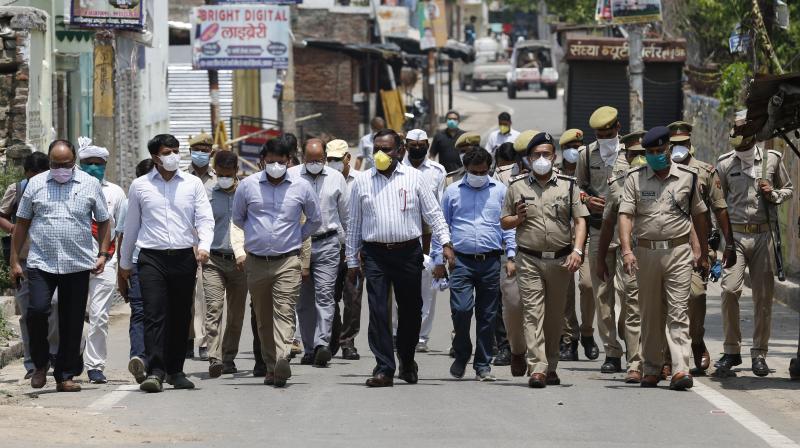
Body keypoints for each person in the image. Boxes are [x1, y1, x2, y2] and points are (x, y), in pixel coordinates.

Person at [346, 128, 453, 387]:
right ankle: (384, 367)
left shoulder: (415, 178)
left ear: (399, 151)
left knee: (411, 312)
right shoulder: (362, 182)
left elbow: (434, 214)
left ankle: (407, 360)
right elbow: (353, 224)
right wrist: (351, 261)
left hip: (408, 253)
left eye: (387, 149)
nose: (381, 154)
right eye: (377, 149)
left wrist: (447, 243)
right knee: (379, 312)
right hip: (375, 255)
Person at [10, 139, 112, 392]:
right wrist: (14, 261)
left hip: (76, 263)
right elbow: (21, 224)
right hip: (40, 263)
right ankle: (40, 364)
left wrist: (102, 253)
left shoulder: (90, 184)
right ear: (49, 161)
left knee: (72, 320)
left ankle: (65, 374)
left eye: (65, 164)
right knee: (36, 311)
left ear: (74, 160)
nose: (60, 169)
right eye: (55, 164)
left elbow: (104, 221)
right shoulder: (36, 184)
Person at [119, 134, 215, 393]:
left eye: (176, 150)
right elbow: (131, 227)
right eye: (167, 152)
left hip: (184, 256)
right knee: (154, 314)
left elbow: (205, 218)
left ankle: (176, 370)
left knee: (180, 314)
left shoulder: (192, 184)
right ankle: (156, 371)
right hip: (151, 257)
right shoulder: (140, 186)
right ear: (155, 157)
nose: (173, 156)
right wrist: (125, 264)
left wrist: (204, 245)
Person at [618, 126, 709, 390]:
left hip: (678, 252)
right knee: (650, 313)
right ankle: (652, 367)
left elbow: (700, 216)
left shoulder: (688, 177)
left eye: (661, 151)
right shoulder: (635, 178)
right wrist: (626, 250)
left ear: (669, 149)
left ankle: (680, 369)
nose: (657, 155)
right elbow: (625, 215)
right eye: (652, 152)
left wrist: (701, 251)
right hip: (645, 252)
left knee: (678, 311)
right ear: (646, 154)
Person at [501, 131, 589, 388]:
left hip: (561, 260)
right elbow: (504, 222)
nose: (541, 159)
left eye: (546, 154)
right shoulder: (516, 186)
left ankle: (550, 365)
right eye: (536, 155)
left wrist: (578, 251)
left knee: (554, 316)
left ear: (554, 157)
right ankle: (537, 366)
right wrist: (517, 218)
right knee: (532, 312)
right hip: (529, 258)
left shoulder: (568, 185)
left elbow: (580, 220)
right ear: (528, 158)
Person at [232, 134, 321, 387]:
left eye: (280, 161)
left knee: (284, 311)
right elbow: (238, 219)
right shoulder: (248, 186)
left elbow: (314, 219)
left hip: (287, 261)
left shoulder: (301, 186)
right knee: (263, 317)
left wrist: (297, 236)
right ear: (262, 161)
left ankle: (283, 358)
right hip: (256, 262)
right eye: (270, 161)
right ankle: (271, 366)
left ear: (288, 160)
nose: (275, 166)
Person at [432, 147, 515, 381]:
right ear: (466, 169)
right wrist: (438, 259)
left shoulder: (500, 191)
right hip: (461, 262)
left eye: (483, 170)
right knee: (461, 310)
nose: (479, 175)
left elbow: (507, 226)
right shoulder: (451, 192)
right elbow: (441, 226)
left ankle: (482, 364)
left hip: (490, 261)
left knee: (487, 315)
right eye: (474, 171)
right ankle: (461, 353)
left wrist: (511, 256)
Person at [715, 132, 793, 376]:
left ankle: (759, 353)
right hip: (736, 236)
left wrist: (774, 194)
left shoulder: (772, 159)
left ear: (754, 139)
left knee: (763, 297)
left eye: (746, 143)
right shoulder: (726, 163)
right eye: (738, 146)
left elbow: (788, 189)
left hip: (763, 235)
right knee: (729, 290)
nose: (743, 149)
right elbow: (718, 203)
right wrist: (722, 240)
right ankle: (731, 350)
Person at [668, 121, 735, 375]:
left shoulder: (705, 172)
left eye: (682, 144)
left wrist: (729, 244)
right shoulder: (661, 171)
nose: (677, 149)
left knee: (695, 296)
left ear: (690, 143)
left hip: (697, 247)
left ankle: (696, 341)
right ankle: (667, 356)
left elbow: (719, 208)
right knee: (668, 301)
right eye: (673, 145)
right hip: (666, 244)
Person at [577, 106, 629, 374]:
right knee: (601, 294)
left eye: (608, 133)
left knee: (630, 291)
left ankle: (631, 339)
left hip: (627, 232)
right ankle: (612, 351)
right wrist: (587, 200)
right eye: (599, 134)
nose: (604, 137)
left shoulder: (632, 152)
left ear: (618, 128)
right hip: (598, 231)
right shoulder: (586, 154)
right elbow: (578, 189)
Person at [594, 131, 647, 383]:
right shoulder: (616, 183)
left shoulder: (658, 181)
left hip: (650, 250)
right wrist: (600, 257)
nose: (638, 160)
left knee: (632, 305)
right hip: (619, 251)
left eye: (642, 154)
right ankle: (614, 352)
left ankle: (637, 354)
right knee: (607, 301)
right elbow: (607, 223)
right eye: (633, 155)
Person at [291, 138, 349, 367]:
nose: (314, 163)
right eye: (309, 159)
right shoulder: (292, 176)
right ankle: (308, 348)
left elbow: (346, 216)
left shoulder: (336, 178)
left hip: (328, 244)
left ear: (325, 158)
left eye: (318, 160)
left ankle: (322, 344)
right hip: (300, 245)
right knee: (303, 301)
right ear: (303, 157)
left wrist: (350, 249)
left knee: (325, 295)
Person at [76, 137, 127, 385]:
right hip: (72, 259)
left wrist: (116, 261)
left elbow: (120, 229)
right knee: (71, 312)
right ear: (80, 162)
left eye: (99, 163)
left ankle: (95, 365)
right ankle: (71, 355)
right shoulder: (70, 187)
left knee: (99, 316)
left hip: (105, 260)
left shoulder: (115, 192)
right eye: (89, 163)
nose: (94, 167)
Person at [0, 151, 55, 380]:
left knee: (54, 308)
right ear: (27, 174)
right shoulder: (18, 189)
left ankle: (54, 355)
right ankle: (32, 363)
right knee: (28, 314)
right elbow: (2, 214)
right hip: (23, 260)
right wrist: (15, 230)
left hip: (52, 259)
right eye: (34, 176)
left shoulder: (55, 188)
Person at [200, 151, 249, 378]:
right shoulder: (207, 193)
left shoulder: (246, 192)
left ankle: (228, 357)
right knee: (213, 309)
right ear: (215, 170)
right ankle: (214, 357)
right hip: (213, 260)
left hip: (241, 262)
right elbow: (199, 222)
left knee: (236, 314)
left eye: (228, 174)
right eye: (220, 174)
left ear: (236, 171)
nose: (224, 178)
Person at [398, 129, 446, 353]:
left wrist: (443, 245)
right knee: (401, 290)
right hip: (402, 234)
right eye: (412, 143)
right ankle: (399, 333)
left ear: (427, 144)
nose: (417, 147)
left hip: (429, 237)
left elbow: (441, 210)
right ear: (405, 145)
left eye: (421, 143)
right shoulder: (396, 168)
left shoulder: (437, 171)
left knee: (427, 290)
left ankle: (421, 338)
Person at [557, 129, 598, 361]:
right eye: (572, 146)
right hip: (562, 238)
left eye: (580, 145)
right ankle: (568, 338)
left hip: (589, 234)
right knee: (564, 292)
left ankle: (587, 332)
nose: (576, 150)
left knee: (588, 285)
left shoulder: (591, 170)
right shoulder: (554, 174)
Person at [116, 158, 154, 384]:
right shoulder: (129, 202)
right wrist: (123, 272)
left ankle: (160, 361)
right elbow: (123, 237)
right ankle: (138, 358)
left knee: (160, 313)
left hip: (162, 264)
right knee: (139, 312)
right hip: (137, 264)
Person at [325, 140, 364, 360]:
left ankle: (348, 341)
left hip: (355, 247)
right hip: (330, 246)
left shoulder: (361, 180)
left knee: (353, 297)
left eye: (337, 160)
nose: (333, 163)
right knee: (329, 296)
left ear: (348, 158)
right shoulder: (325, 179)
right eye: (329, 159)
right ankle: (333, 337)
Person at [186, 131, 216, 361]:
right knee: (187, 296)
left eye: (204, 151)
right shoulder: (181, 178)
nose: (200, 154)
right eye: (197, 150)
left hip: (212, 247)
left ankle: (205, 343)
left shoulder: (218, 180)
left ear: (211, 153)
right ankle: (186, 340)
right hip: (186, 245)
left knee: (207, 298)